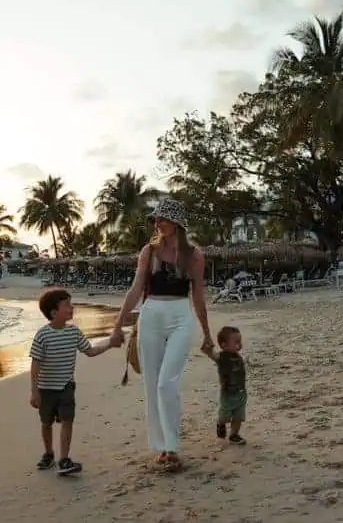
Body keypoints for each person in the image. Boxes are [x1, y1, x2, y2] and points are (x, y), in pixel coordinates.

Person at [110, 197, 213, 472]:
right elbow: (135, 290)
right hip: (151, 316)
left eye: (162, 219)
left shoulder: (194, 256)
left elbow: (199, 298)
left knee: (167, 383)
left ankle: (173, 447)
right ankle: (161, 447)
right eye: (155, 220)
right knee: (152, 384)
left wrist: (207, 334)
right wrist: (118, 325)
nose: (157, 224)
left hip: (181, 316)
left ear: (177, 223)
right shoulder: (149, 251)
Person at [29, 288, 122, 475]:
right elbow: (35, 364)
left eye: (71, 304)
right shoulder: (42, 335)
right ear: (54, 313)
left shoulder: (74, 332)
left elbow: (90, 351)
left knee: (67, 421)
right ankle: (48, 454)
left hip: (66, 387)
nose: (72, 308)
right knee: (46, 423)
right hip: (46, 389)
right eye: (67, 305)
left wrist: (110, 343)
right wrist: (34, 391)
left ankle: (64, 459)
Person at [203, 326, 247, 445]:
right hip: (227, 394)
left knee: (239, 415)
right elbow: (212, 355)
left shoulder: (237, 357)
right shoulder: (222, 357)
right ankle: (221, 423)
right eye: (236, 342)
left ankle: (234, 434)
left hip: (241, 393)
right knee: (225, 415)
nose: (239, 345)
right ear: (224, 345)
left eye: (240, 342)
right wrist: (208, 349)